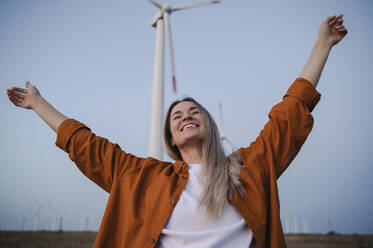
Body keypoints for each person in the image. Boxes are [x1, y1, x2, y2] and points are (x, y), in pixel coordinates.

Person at [7, 15, 347, 248]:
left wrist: (322, 45)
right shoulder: (141, 176)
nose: (186, 116)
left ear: (209, 125)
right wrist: (38, 104)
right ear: (170, 138)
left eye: (194, 112)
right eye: (177, 116)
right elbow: (85, 145)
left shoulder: (251, 167)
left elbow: (290, 115)